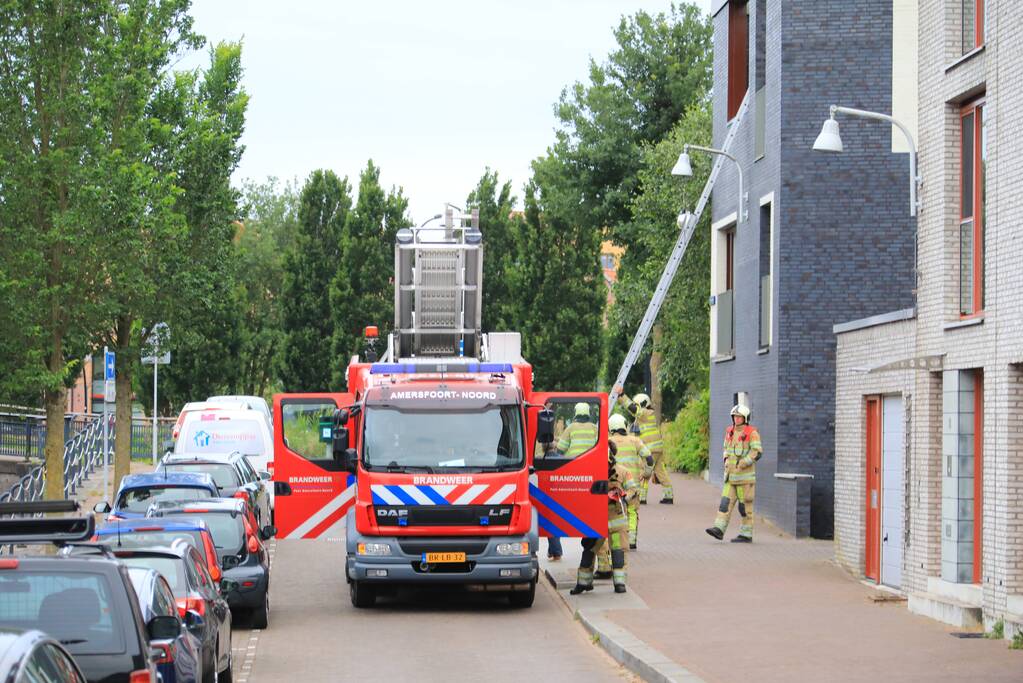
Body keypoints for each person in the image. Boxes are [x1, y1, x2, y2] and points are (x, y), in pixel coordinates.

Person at [570, 443, 638, 595]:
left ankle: (619, 583)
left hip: (616, 519)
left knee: (618, 552)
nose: (604, 467)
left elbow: (633, 489)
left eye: (606, 464)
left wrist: (623, 496)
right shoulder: (591, 471)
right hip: (596, 519)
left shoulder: (623, 472)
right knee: (589, 551)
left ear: (611, 460)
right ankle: (583, 583)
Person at [706, 404, 762, 543]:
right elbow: (726, 448)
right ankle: (719, 529)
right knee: (725, 504)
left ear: (745, 418)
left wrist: (743, 463)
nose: (736, 419)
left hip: (745, 479)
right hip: (730, 477)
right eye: (735, 417)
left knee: (745, 508)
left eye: (739, 417)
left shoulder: (752, 433)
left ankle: (746, 534)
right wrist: (726, 459)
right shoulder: (729, 431)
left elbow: (757, 452)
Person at [614, 386, 671, 504]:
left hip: (650, 448)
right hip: (657, 448)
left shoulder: (645, 413)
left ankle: (642, 497)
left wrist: (622, 395)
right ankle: (668, 495)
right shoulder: (648, 415)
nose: (636, 406)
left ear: (642, 404)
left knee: (644, 472)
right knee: (661, 472)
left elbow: (632, 409)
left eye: (637, 404)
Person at [608, 413, 652, 549]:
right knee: (632, 511)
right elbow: (649, 458)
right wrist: (647, 473)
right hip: (632, 485)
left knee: (615, 513)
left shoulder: (607, 441)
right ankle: (631, 541)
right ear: (625, 426)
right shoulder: (635, 440)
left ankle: (616, 541)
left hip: (614, 483)